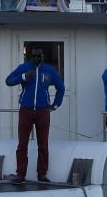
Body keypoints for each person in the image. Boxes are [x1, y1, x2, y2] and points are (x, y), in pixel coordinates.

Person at [5, 48, 65, 183]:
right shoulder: (24, 68)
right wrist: (23, 77)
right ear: (30, 57)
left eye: (39, 55)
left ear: (43, 56)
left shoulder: (50, 70)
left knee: (43, 145)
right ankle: (20, 174)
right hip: (25, 110)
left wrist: (55, 104)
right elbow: (8, 81)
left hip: (43, 112)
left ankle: (42, 175)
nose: (37, 58)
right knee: (22, 144)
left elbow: (60, 87)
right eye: (34, 56)